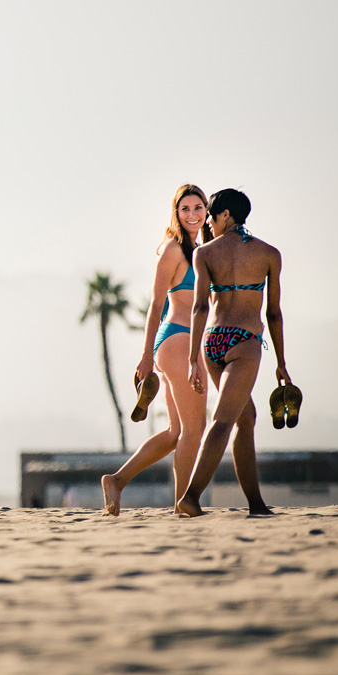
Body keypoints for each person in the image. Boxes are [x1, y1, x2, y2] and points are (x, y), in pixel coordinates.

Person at [102, 185, 212, 516]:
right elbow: (156, 305)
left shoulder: (203, 248)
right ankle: (184, 504)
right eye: (185, 209)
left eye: (198, 207)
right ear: (176, 213)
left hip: (184, 343)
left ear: (206, 210)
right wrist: (146, 355)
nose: (192, 214)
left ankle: (117, 481)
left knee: (176, 431)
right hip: (177, 340)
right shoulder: (173, 251)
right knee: (195, 430)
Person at [176, 188, 283, 517]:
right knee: (223, 421)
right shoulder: (268, 254)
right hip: (244, 343)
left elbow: (199, 309)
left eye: (210, 214)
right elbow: (274, 314)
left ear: (226, 215)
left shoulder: (204, 253)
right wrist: (282, 363)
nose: (207, 221)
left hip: (213, 343)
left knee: (245, 417)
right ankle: (190, 498)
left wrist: (194, 358)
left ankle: (255, 503)